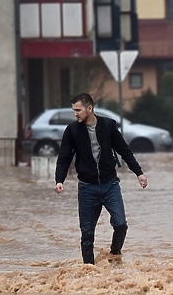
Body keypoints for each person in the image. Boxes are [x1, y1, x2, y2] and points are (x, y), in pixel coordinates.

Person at [54, 93, 148, 265]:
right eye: (73, 110)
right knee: (87, 233)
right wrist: (60, 180)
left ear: (89, 108)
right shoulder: (72, 130)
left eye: (78, 110)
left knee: (120, 225)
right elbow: (64, 157)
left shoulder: (108, 126)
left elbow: (124, 150)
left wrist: (138, 173)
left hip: (110, 185)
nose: (75, 114)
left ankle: (114, 254)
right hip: (87, 188)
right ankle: (89, 270)